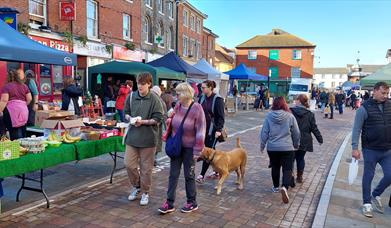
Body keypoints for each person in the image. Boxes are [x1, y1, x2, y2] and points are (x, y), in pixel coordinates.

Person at [158, 82, 206, 214]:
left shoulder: (197, 108)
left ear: (185, 94)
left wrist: (198, 150)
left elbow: (201, 131)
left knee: (189, 175)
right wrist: (169, 121)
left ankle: (192, 201)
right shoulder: (178, 106)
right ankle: (169, 202)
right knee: (173, 174)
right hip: (177, 146)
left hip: (190, 148)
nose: (175, 96)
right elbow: (172, 121)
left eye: (178, 93)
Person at [351, 81, 391, 218]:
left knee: (390, 175)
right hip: (370, 149)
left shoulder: (390, 105)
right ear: (375, 91)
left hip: (387, 150)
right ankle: (367, 203)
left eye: (387, 93)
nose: (386, 96)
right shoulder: (364, 108)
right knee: (368, 176)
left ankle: (375, 194)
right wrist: (354, 148)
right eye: (383, 93)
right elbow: (356, 129)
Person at [123, 73, 163, 206]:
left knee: (146, 168)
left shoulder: (154, 99)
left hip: (148, 139)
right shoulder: (131, 96)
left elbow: (158, 118)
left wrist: (143, 122)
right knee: (129, 164)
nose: (140, 86)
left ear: (149, 84)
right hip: (132, 137)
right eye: (138, 83)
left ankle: (145, 192)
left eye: (143, 83)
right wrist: (130, 119)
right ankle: (137, 185)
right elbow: (126, 113)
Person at [259, 96, 300, 204]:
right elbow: (296, 132)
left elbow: (264, 132)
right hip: (287, 147)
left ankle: (276, 187)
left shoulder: (269, 116)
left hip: (272, 147)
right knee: (287, 168)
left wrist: (262, 145)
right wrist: (296, 144)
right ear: (284, 104)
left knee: (275, 166)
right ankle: (285, 187)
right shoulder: (290, 116)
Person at [196, 80, 225, 183]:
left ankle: (201, 175)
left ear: (210, 88)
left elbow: (221, 117)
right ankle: (217, 170)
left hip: (212, 130)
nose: (201, 89)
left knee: (207, 152)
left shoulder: (218, 99)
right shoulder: (201, 98)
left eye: (204, 88)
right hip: (202, 128)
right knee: (210, 150)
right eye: (201, 87)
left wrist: (219, 130)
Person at [290, 95, 323, 183]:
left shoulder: (291, 112)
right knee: (300, 158)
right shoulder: (310, 114)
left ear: (299, 101)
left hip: (292, 139)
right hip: (305, 139)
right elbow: (314, 128)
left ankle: (290, 176)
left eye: (296, 100)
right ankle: (299, 177)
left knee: (291, 158)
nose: (295, 101)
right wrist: (320, 139)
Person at [0, 69, 32, 140]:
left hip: (12, 112)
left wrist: (0, 111)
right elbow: (29, 98)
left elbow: (4, 100)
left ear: (8, 77)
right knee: (23, 130)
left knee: (14, 133)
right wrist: (22, 105)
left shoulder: (6, 87)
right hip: (24, 110)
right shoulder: (24, 86)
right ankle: (24, 148)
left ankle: (17, 149)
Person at [151, 85, 168, 166]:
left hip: (155, 126)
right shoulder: (158, 100)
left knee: (155, 142)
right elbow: (164, 116)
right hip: (153, 126)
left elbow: (164, 115)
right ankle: (152, 159)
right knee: (154, 143)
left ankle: (152, 159)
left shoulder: (159, 101)